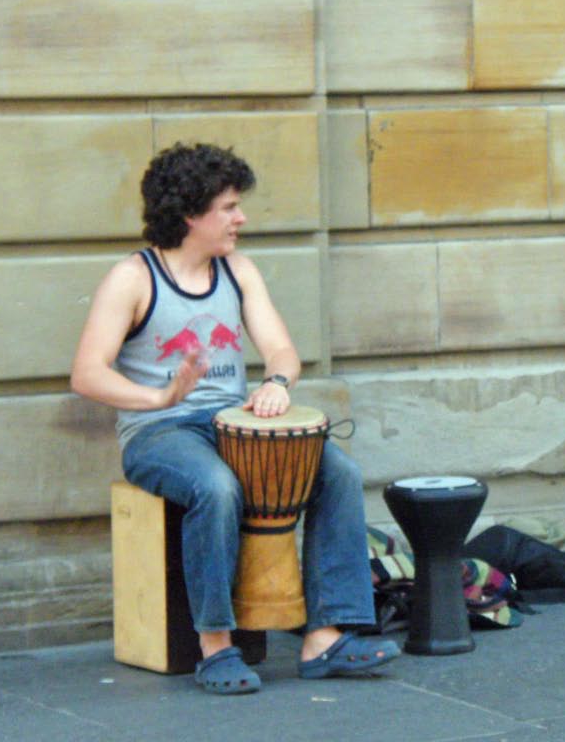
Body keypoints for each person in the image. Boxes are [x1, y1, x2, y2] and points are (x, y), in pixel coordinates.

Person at [71, 143, 397, 695]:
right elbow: (86, 374)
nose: (240, 218)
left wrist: (274, 385)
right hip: (159, 432)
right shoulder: (133, 278)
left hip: (231, 426)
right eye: (228, 207)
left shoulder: (238, 271)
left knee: (336, 470)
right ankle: (216, 647)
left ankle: (326, 636)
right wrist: (159, 398)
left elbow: (282, 352)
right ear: (190, 213)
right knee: (216, 487)